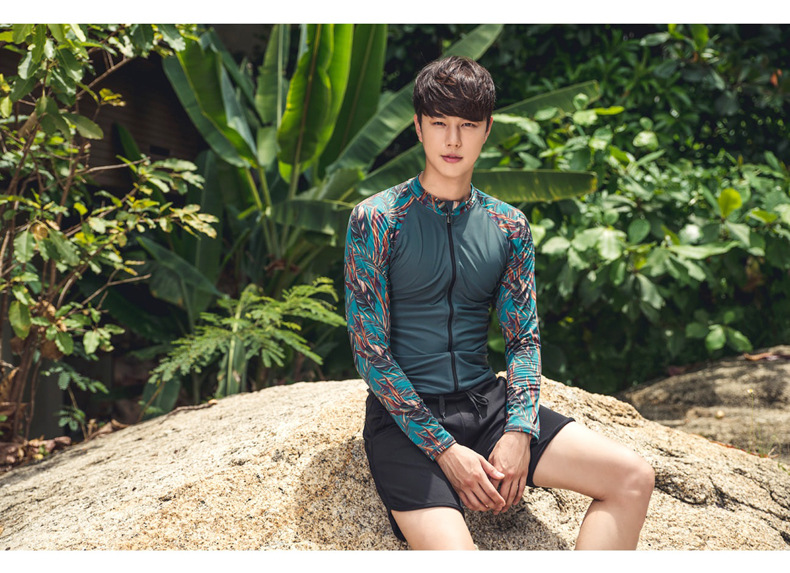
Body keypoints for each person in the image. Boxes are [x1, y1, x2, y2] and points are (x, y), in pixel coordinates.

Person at [343, 56, 654, 550]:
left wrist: (518, 431)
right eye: (439, 123)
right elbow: (370, 354)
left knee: (632, 478)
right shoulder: (376, 219)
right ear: (418, 127)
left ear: (487, 129)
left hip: (486, 405)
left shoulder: (509, 226)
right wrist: (446, 451)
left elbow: (523, 341)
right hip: (404, 425)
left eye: (467, 125)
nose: (452, 140)